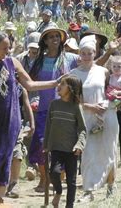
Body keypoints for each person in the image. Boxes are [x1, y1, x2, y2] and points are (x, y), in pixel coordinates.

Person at [0, 31, 61, 206]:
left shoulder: (12, 63)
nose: (8, 51)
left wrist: (55, 82)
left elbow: (30, 84)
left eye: (9, 47)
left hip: (10, 119)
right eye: (4, 48)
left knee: (5, 156)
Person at [28, 25, 78, 193]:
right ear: (45, 41)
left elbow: (87, 68)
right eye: (50, 37)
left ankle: (58, 179)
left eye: (57, 36)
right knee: (41, 145)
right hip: (44, 110)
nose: (54, 39)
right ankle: (44, 178)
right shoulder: (39, 61)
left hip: (65, 110)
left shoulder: (71, 58)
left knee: (63, 146)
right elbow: (30, 82)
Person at [71, 35, 118, 202]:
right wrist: (90, 107)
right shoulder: (74, 74)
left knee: (109, 150)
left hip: (106, 115)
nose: (86, 56)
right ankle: (88, 190)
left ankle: (111, 186)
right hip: (86, 117)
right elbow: (73, 98)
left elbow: (111, 89)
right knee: (88, 154)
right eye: (83, 53)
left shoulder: (103, 71)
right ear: (79, 54)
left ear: (94, 53)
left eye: (89, 53)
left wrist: (109, 103)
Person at [44, 75, 87, 208]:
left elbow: (83, 130)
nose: (59, 86)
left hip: (71, 150)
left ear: (70, 88)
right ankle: (58, 191)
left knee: (71, 181)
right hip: (56, 147)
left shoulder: (76, 107)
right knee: (54, 173)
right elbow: (48, 126)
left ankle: (69, 205)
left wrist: (79, 145)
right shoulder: (54, 104)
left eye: (62, 84)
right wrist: (46, 145)